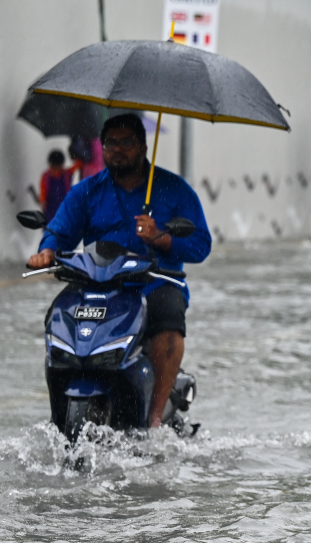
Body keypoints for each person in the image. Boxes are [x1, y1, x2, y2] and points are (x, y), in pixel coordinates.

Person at [26, 113, 212, 428]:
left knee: (168, 323)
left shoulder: (174, 189)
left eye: (126, 142)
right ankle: (59, 415)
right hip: (96, 284)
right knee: (57, 315)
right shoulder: (86, 191)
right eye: (110, 143)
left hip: (154, 283)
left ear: (143, 147)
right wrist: (46, 251)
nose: (117, 150)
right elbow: (60, 231)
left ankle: (153, 422)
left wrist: (161, 238)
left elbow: (201, 244)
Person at [39, 150, 75, 223]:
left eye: (58, 167)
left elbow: (78, 164)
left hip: (64, 209)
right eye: (53, 167)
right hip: (50, 210)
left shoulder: (66, 174)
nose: (55, 170)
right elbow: (43, 191)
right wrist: (43, 201)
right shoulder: (46, 177)